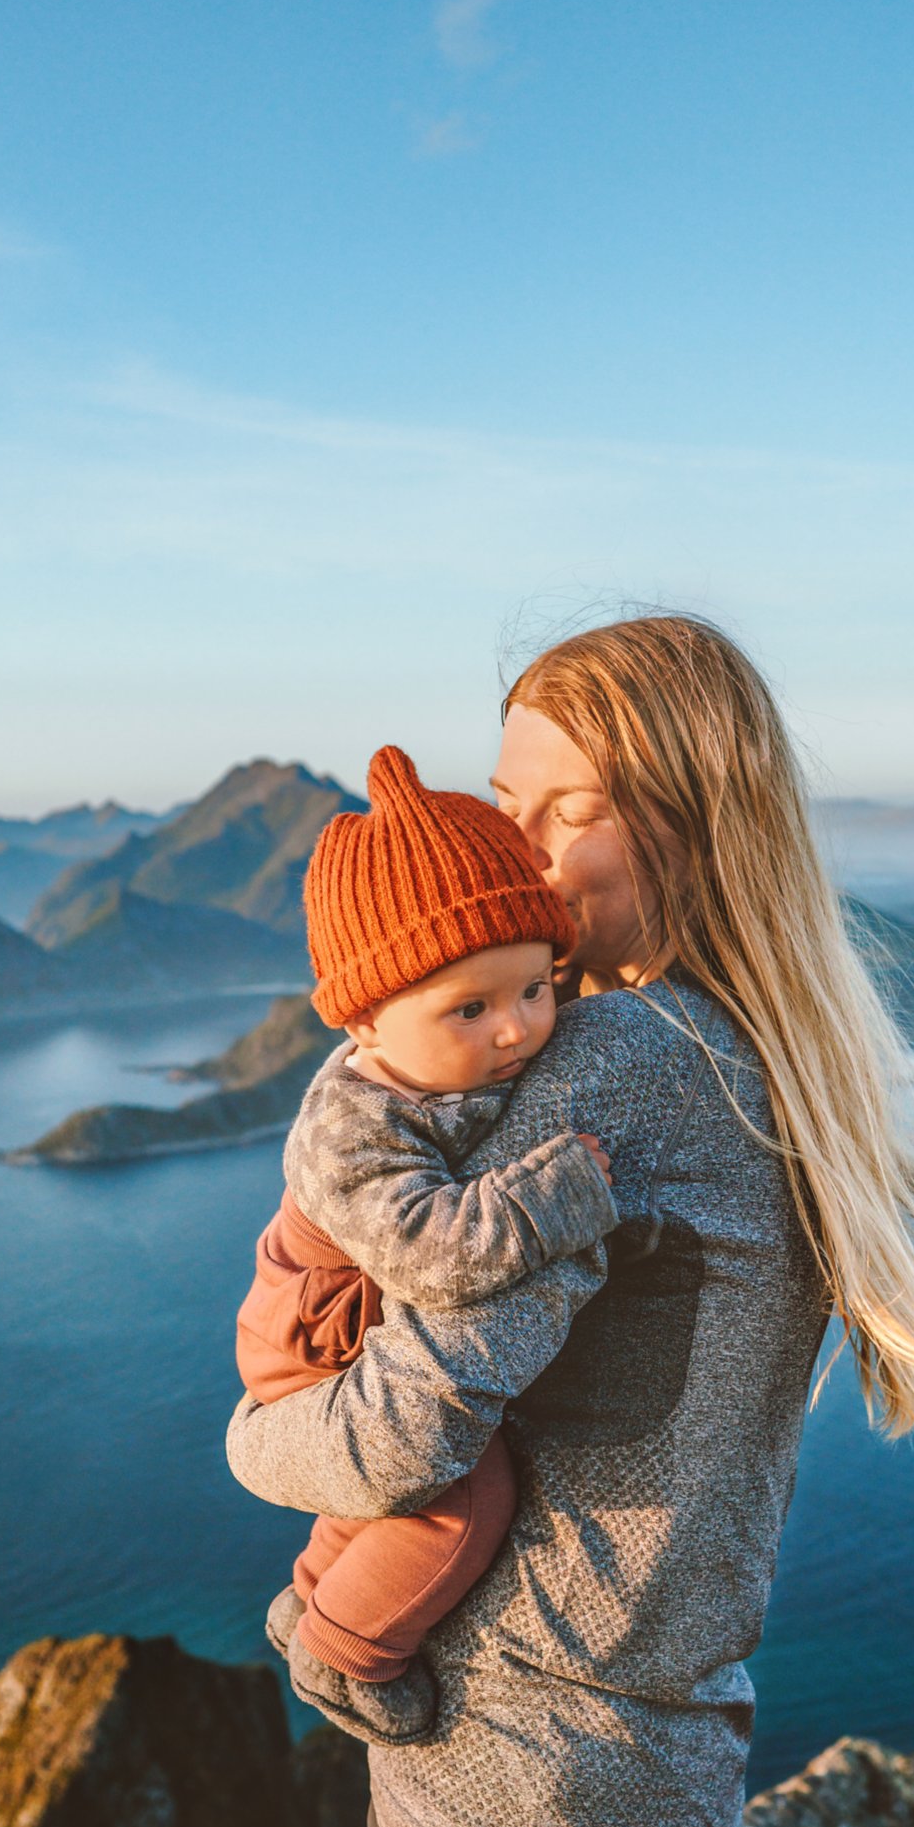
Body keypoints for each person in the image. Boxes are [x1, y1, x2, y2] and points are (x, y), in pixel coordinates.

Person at [227, 613, 914, 1827]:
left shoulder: (614, 1065)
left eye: (573, 810)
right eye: (511, 806)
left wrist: (252, 1441)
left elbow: (399, 1439)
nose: (527, 853)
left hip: (513, 1758)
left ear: (696, 823)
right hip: (655, 1747)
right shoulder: (765, 1052)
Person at [236, 744, 618, 1744]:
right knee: (461, 1498)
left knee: (393, 1499)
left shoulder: (438, 1070)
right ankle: (347, 1652)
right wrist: (555, 1194)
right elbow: (431, 1257)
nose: (516, 1030)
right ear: (365, 1022)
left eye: (534, 988)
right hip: (311, 1338)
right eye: (470, 1008)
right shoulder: (350, 1127)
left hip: (342, 1314)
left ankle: (311, 1596)